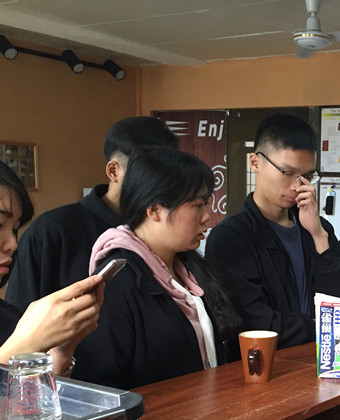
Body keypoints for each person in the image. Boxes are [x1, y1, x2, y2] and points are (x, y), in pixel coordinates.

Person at [73, 147, 240, 390]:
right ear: (154, 210)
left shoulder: (190, 268)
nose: (207, 216)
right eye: (197, 205)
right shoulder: (115, 283)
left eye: (206, 203)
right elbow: (101, 387)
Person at [205, 113, 340, 349]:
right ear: (255, 162)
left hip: (323, 357)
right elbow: (254, 322)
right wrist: (319, 327)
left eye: (307, 176)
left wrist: (318, 235)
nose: (297, 185)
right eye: (288, 172)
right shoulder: (230, 238)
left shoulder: (319, 230)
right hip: (267, 363)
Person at [6, 116, 178, 309]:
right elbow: (19, 316)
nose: (159, 183)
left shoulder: (165, 228)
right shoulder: (51, 231)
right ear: (114, 171)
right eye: (149, 172)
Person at [0, 161, 103, 376]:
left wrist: (60, 352)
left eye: (15, 229)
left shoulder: (8, 319)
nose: (12, 244)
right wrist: (23, 345)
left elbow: (29, 395)